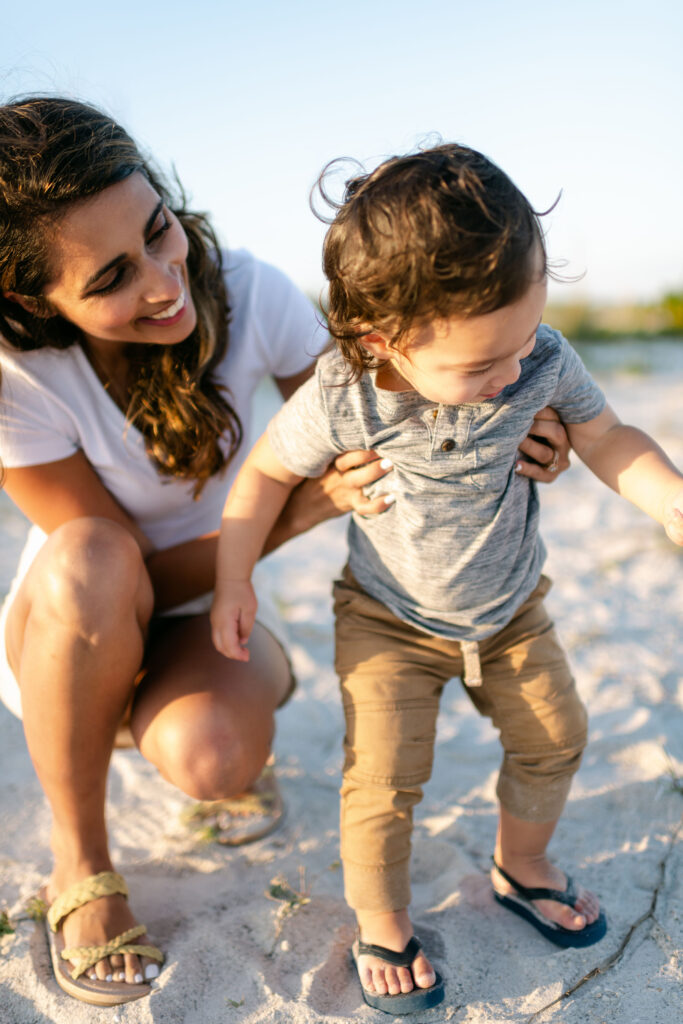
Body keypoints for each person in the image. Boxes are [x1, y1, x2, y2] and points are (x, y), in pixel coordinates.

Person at [0, 100, 569, 1008]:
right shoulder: (16, 378)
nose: (162, 281)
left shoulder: (251, 290)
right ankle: (80, 864)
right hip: (78, 625)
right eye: (112, 275)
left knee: (214, 759)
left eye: (158, 231)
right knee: (92, 556)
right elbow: (127, 576)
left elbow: (390, 413)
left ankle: (209, 705)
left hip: (200, 618)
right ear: (34, 303)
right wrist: (298, 513)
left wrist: (525, 432)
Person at [210, 144, 683, 1014]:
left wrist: (668, 500)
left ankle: (522, 865)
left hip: (509, 610)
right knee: (385, 775)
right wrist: (234, 577)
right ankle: (381, 921)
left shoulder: (537, 357)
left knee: (555, 733)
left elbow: (609, 437)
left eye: (522, 341)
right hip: (387, 617)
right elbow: (266, 475)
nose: (511, 374)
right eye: (479, 365)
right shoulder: (343, 394)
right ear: (379, 340)